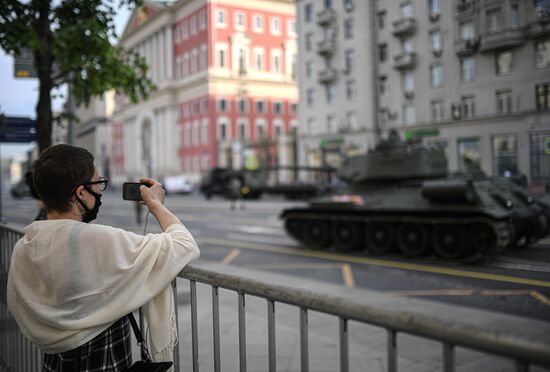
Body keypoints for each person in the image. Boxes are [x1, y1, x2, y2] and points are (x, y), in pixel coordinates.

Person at [7, 144, 200, 370]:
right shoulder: (99, 240)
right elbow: (184, 244)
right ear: (80, 193)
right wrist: (155, 204)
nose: (100, 191)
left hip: (54, 363)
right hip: (103, 362)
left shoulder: (24, 246)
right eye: (98, 184)